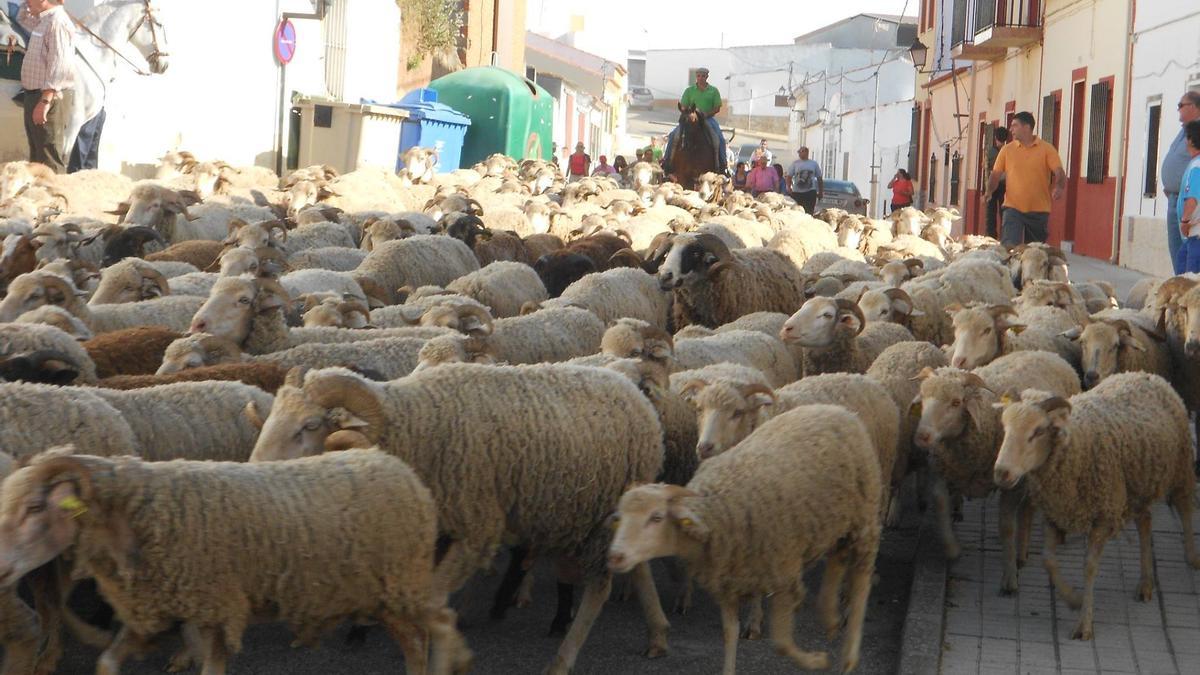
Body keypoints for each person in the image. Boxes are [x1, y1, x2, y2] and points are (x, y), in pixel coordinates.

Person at [985, 111, 1067, 248]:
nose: (1011, 129)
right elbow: (995, 174)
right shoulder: (1007, 150)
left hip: (1039, 210)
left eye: (1014, 125)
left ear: (1027, 127)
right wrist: (989, 191)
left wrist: (1059, 187)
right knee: (1009, 249)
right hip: (1012, 208)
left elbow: (1059, 171)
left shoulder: (1047, 149)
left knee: (1035, 252)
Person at [16, 0, 75, 174]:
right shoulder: (44, 19)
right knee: (37, 156)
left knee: (49, 159)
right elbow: (22, 17)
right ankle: (40, 199)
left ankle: (54, 199)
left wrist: (44, 101)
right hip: (36, 95)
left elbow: (60, 66)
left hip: (48, 97)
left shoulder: (58, 22)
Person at [662, 67, 728, 175]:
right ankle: (667, 162)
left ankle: (721, 165)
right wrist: (688, 112)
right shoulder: (689, 90)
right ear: (696, 77)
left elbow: (717, 108)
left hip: (708, 118)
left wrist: (706, 114)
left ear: (707, 77)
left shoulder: (713, 90)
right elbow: (683, 105)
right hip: (691, 118)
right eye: (698, 76)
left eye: (703, 76)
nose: (700, 78)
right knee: (674, 135)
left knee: (719, 139)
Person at [1163, 91, 1200, 273]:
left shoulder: (1196, 132)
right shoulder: (1185, 129)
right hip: (1175, 199)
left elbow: (1194, 192)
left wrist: (1186, 219)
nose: (1178, 112)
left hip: (1189, 210)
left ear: (1193, 107)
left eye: (1181, 106)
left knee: (1187, 262)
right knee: (1179, 255)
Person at [1173, 120, 1200, 273]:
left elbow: (1193, 197)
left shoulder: (1197, 166)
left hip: (1196, 234)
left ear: (1190, 140)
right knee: (1181, 268)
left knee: (1190, 282)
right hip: (1192, 236)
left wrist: (1185, 221)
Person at [982, 127, 1010, 238]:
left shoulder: (989, 151)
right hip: (1005, 185)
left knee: (991, 213)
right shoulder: (1009, 151)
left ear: (995, 137)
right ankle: (1005, 237)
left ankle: (991, 237)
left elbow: (985, 170)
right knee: (1004, 213)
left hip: (992, 184)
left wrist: (986, 190)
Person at [787, 147, 824, 213]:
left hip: (810, 192)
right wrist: (789, 187)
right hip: (797, 193)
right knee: (796, 212)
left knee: (809, 212)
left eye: (801, 152)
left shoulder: (813, 164)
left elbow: (819, 178)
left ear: (806, 152)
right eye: (798, 152)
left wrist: (820, 191)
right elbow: (789, 176)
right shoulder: (795, 164)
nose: (799, 154)